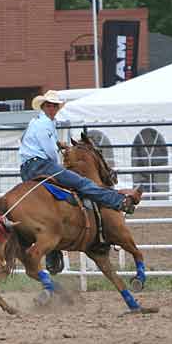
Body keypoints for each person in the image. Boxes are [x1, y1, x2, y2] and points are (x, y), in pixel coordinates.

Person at [19, 90, 142, 272]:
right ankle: (119, 201)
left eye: (54, 105)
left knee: (52, 208)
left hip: (27, 169)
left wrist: (59, 145)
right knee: (82, 184)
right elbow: (49, 152)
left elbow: (31, 142)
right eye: (49, 105)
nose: (52, 108)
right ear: (44, 106)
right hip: (42, 165)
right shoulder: (45, 124)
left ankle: (53, 254)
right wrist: (58, 163)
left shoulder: (36, 123)